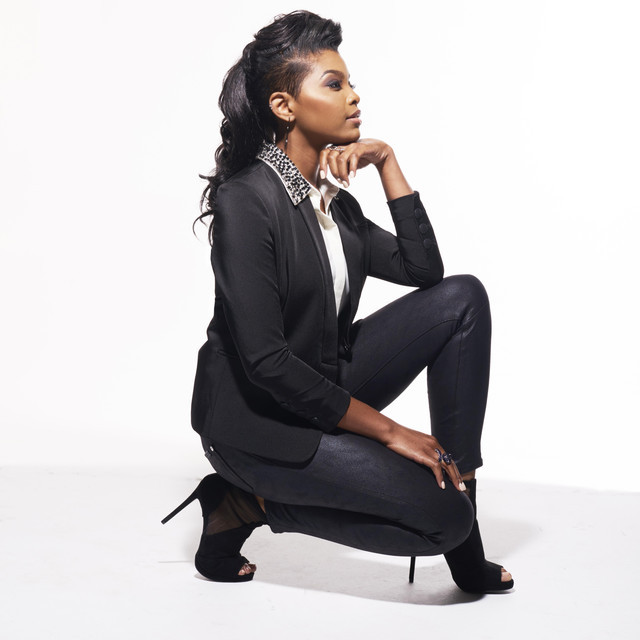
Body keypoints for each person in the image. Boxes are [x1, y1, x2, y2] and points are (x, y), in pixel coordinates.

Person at [162, 10, 514, 593]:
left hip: (318, 383)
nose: (354, 96)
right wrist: (390, 431)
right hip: (258, 423)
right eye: (334, 84)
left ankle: (461, 494)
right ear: (284, 106)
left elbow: (424, 271)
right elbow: (266, 362)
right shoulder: (246, 201)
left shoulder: (335, 204)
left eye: (350, 83)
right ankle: (245, 503)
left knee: (462, 299)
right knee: (443, 522)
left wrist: (387, 161)